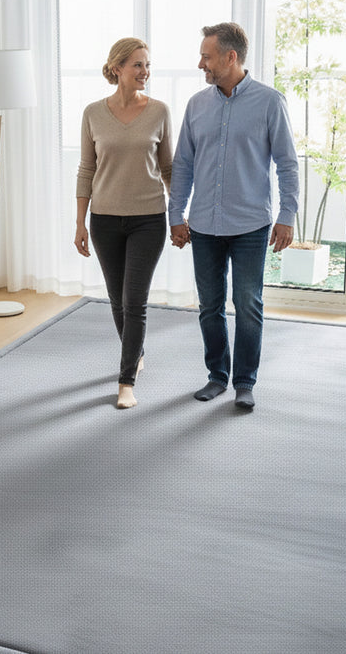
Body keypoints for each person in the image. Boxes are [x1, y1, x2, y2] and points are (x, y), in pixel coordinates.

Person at [169, 22, 299, 409]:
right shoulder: (196, 105)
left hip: (250, 226)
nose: (200, 64)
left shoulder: (270, 102)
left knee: (248, 304)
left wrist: (287, 214)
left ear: (230, 57)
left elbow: (287, 165)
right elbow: (184, 165)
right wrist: (176, 213)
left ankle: (245, 381)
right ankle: (216, 376)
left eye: (206, 57)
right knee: (209, 305)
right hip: (205, 225)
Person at [74, 37, 172, 409]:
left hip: (148, 218)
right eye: (137, 65)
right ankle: (136, 351)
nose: (145, 72)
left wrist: (178, 214)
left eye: (147, 65)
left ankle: (126, 380)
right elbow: (86, 169)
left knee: (135, 300)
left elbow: (168, 168)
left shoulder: (160, 111)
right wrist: (80, 223)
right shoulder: (93, 113)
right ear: (117, 68)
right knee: (117, 299)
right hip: (104, 220)